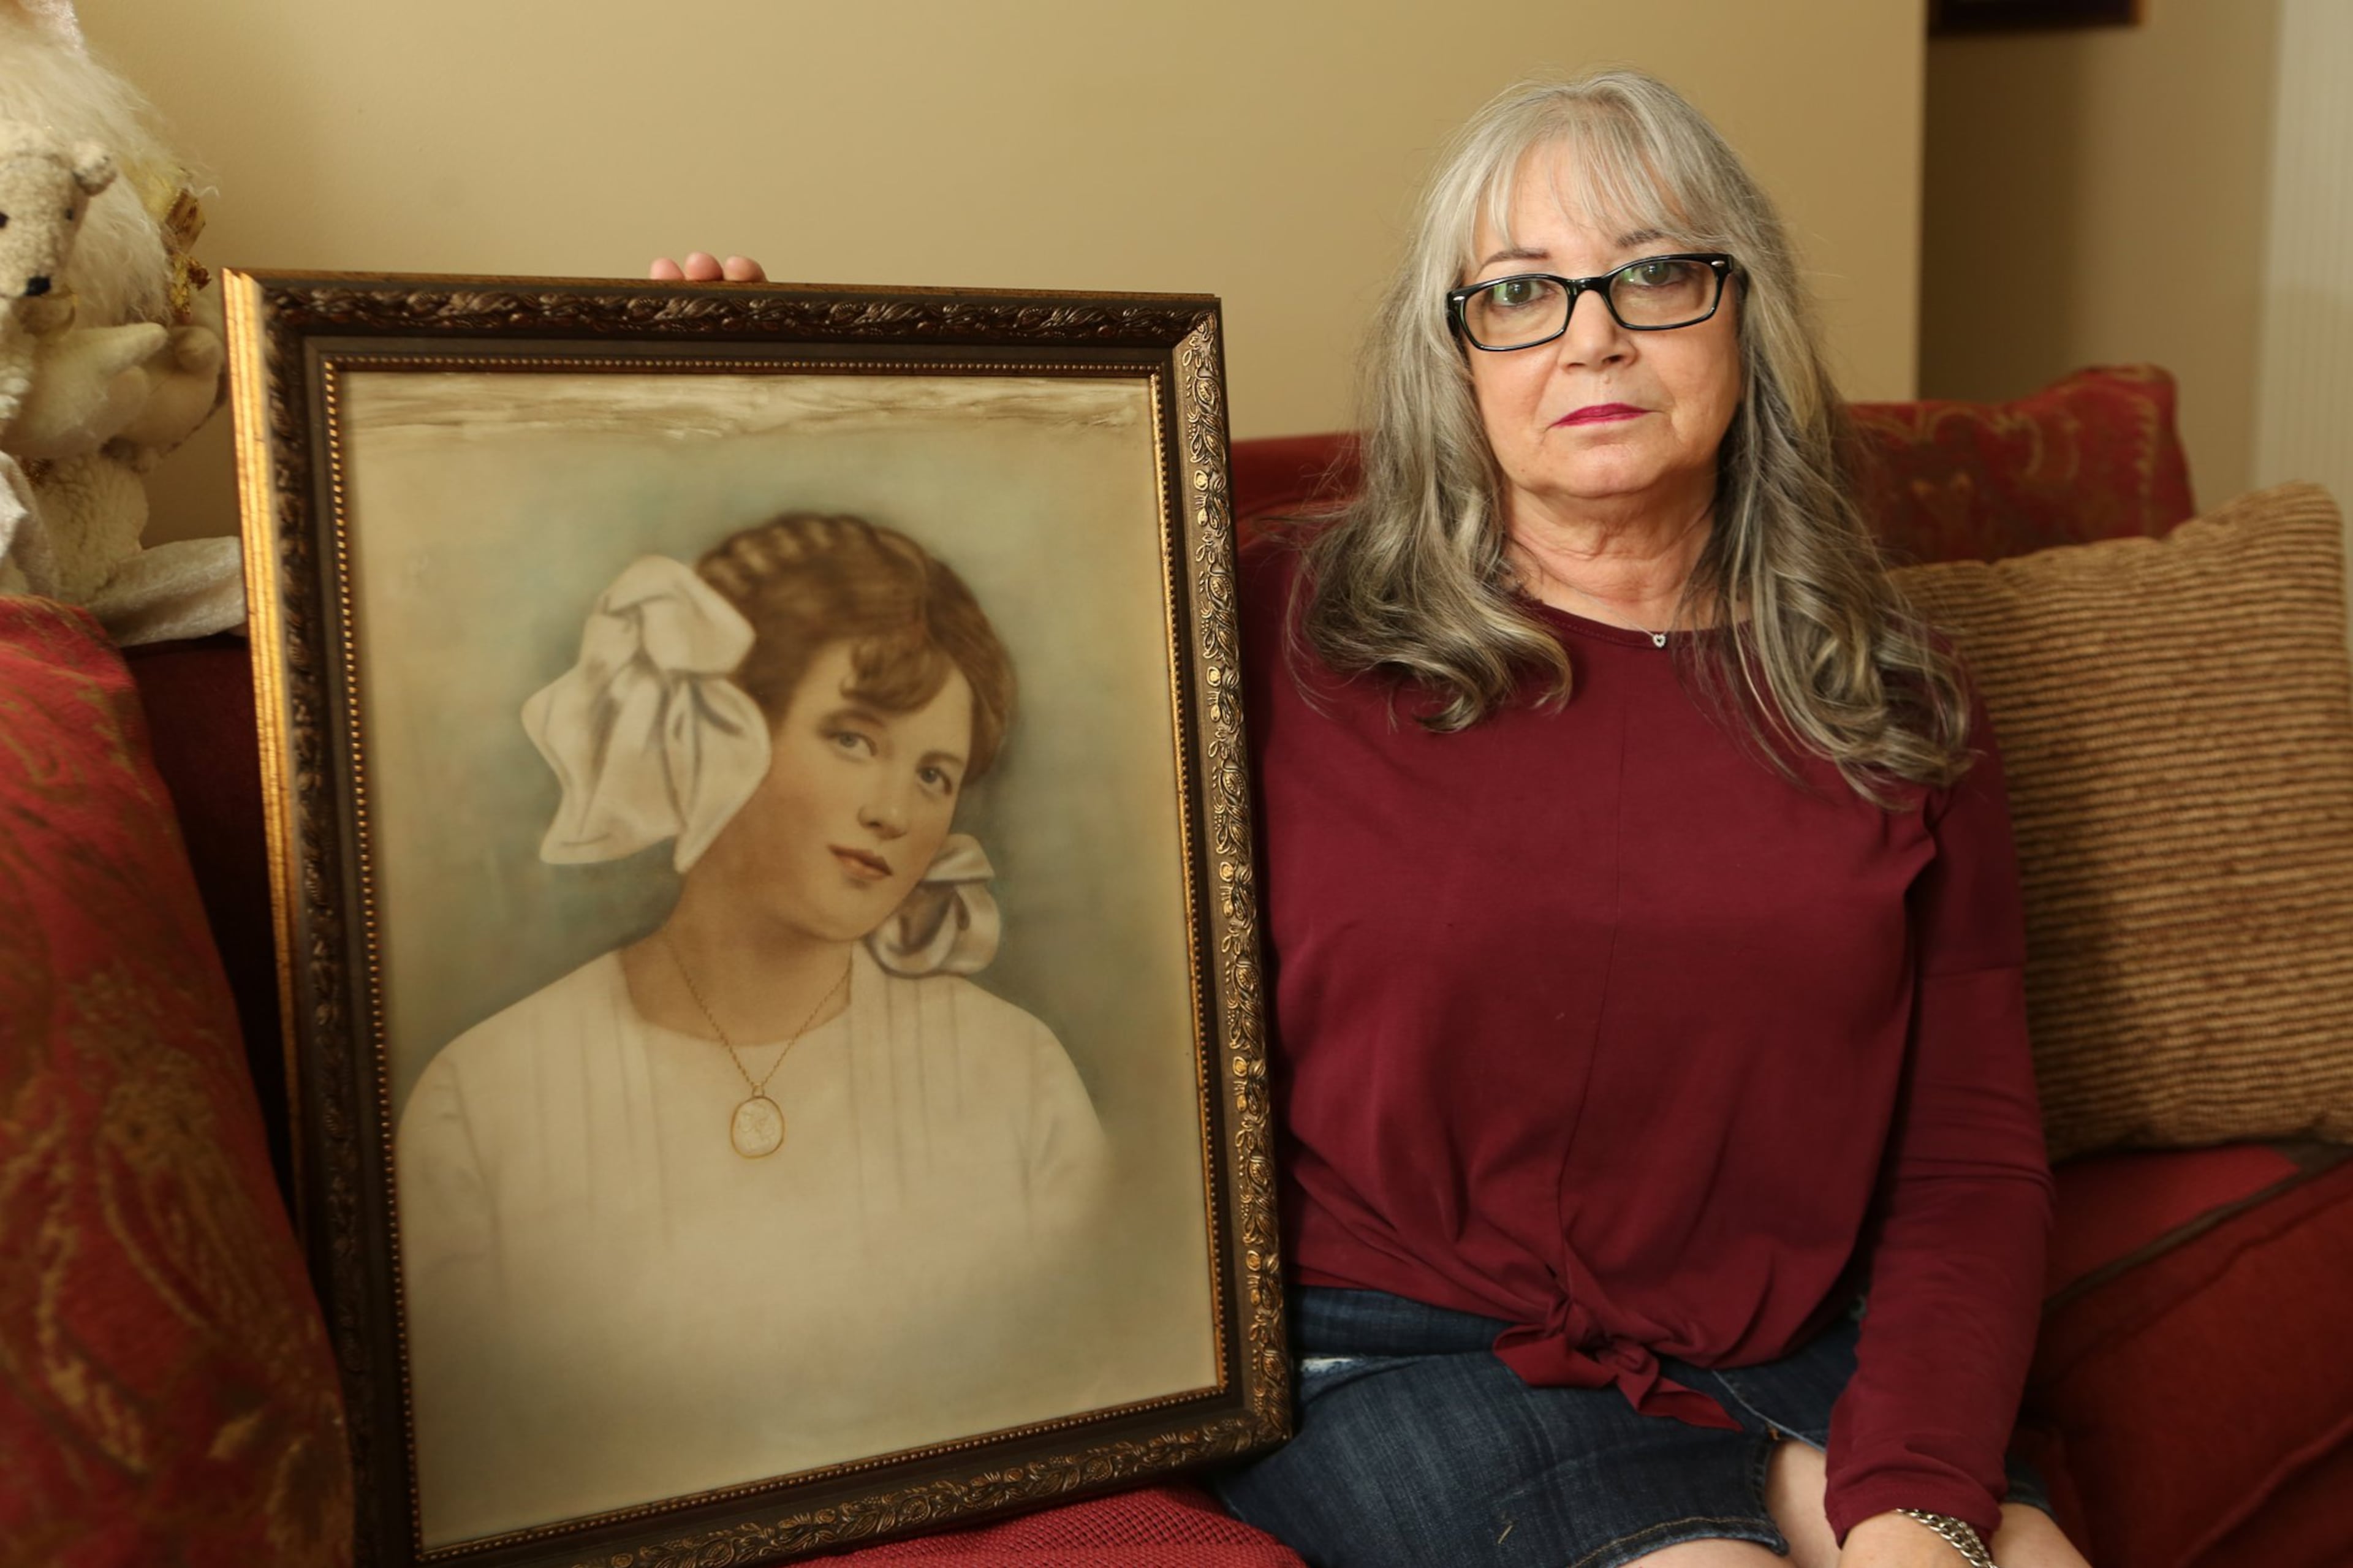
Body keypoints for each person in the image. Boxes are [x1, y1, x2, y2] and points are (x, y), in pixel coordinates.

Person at [654, 67, 2090, 1568]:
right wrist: (747, 398)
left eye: (1656, 272)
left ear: (1746, 313)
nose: (1592, 331)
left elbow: (1970, 1159)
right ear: (1453, 353)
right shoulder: (1277, 627)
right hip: (1409, 1357)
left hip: (1793, 1331)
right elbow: (941, 621)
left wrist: (1918, 1498)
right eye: (1521, 288)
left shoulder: (1894, 696)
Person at [395, 513, 1110, 1547]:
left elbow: (1086, 1399)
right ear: (717, 731)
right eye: (855, 738)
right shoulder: (488, 1095)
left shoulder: (1016, 1072)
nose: (893, 811)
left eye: (934, 775)